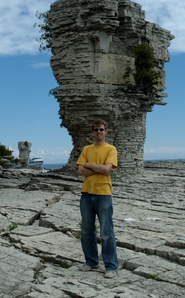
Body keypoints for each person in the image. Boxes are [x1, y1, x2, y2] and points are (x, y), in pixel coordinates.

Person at [76, 118, 119, 278]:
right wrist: (99, 168)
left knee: (107, 232)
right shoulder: (87, 149)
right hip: (86, 194)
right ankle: (91, 261)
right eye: (96, 130)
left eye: (101, 129)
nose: (99, 132)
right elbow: (80, 172)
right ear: (92, 132)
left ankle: (111, 266)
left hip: (103, 194)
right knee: (87, 231)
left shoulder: (111, 149)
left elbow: (107, 170)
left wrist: (89, 165)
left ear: (106, 131)